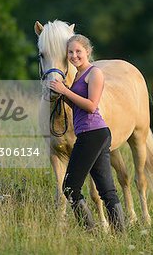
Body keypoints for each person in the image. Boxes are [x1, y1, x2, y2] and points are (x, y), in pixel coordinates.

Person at [49, 34, 126, 232]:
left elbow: (91, 106)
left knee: (69, 186)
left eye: (78, 52)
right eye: (71, 52)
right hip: (93, 134)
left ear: (88, 52)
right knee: (106, 189)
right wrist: (59, 94)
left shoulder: (95, 73)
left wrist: (65, 92)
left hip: (93, 134)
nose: (74, 56)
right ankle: (121, 234)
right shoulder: (78, 75)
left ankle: (89, 231)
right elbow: (76, 104)